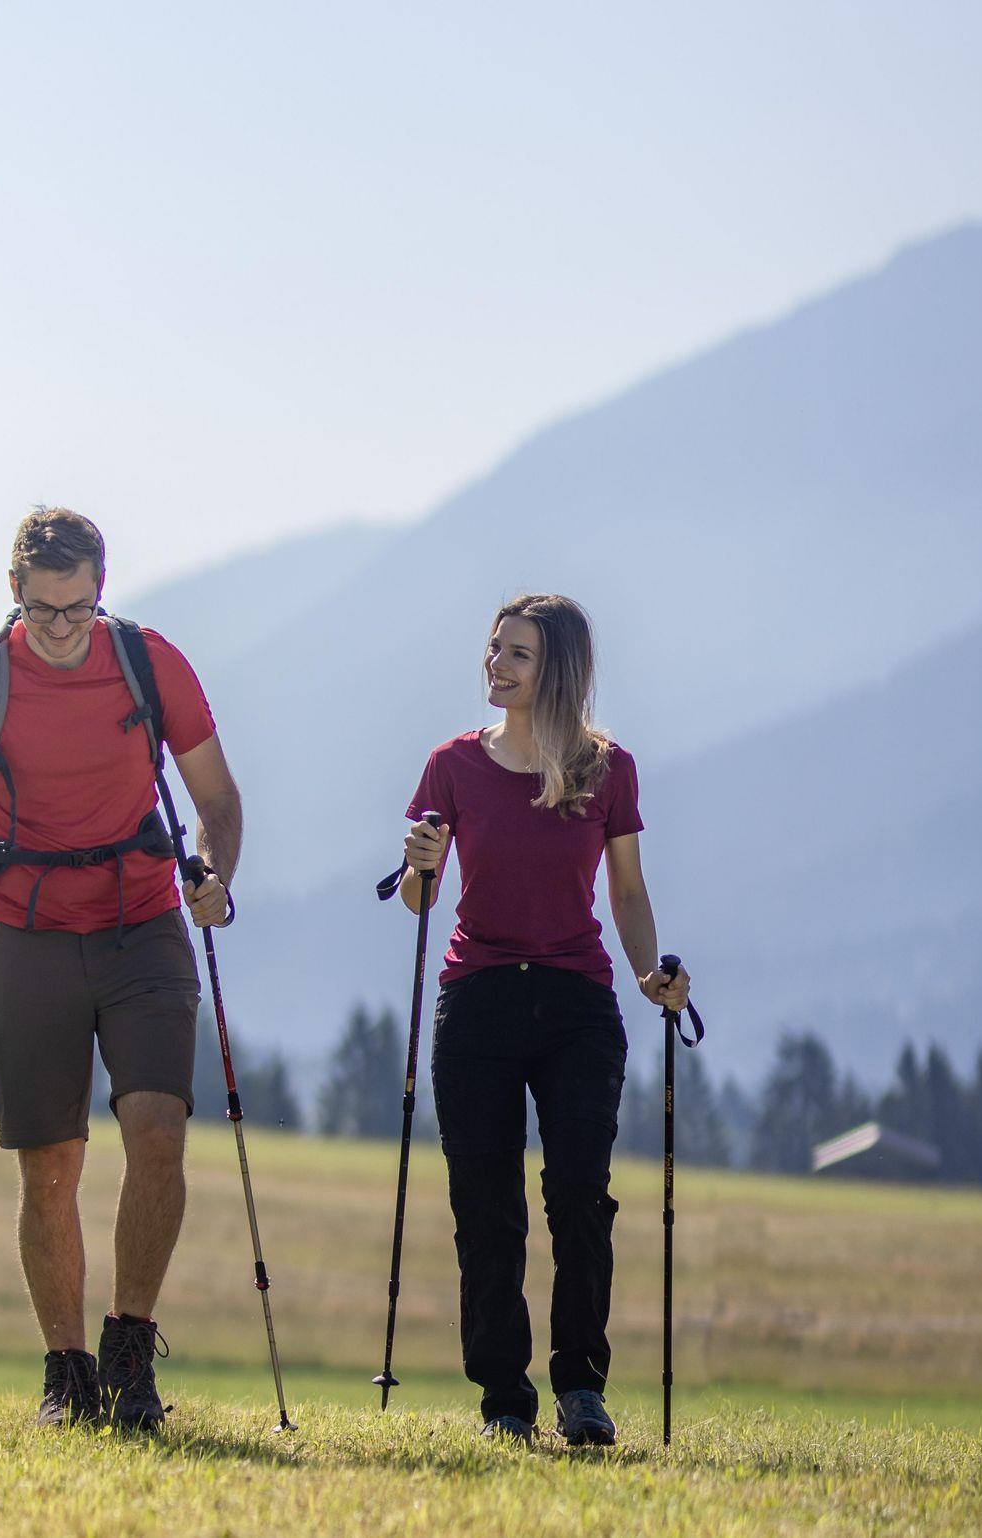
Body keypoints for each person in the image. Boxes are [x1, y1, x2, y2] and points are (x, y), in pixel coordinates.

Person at [0, 507, 240, 1430]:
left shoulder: (150, 662)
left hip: (143, 923)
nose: (61, 629)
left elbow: (217, 801)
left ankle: (130, 1354)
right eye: (43, 610)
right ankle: (66, 1375)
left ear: (101, 591)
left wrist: (214, 874)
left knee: (158, 1131)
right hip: (26, 932)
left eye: (78, 609)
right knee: (50, 1166)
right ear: (14, 593)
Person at [397, 593, 690, 1446]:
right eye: (495, 648)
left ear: (555, 670)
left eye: (517, 654)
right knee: (486, 1206)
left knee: (579, 1197)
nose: (496, 664)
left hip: (576, 1005)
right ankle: (504, 1400)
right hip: (478, 999)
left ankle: (581, 1389)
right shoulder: (452, 766)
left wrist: (651, 974)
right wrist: (418, 865)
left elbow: (627, 892)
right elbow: (418, 898)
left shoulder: (608, 769)